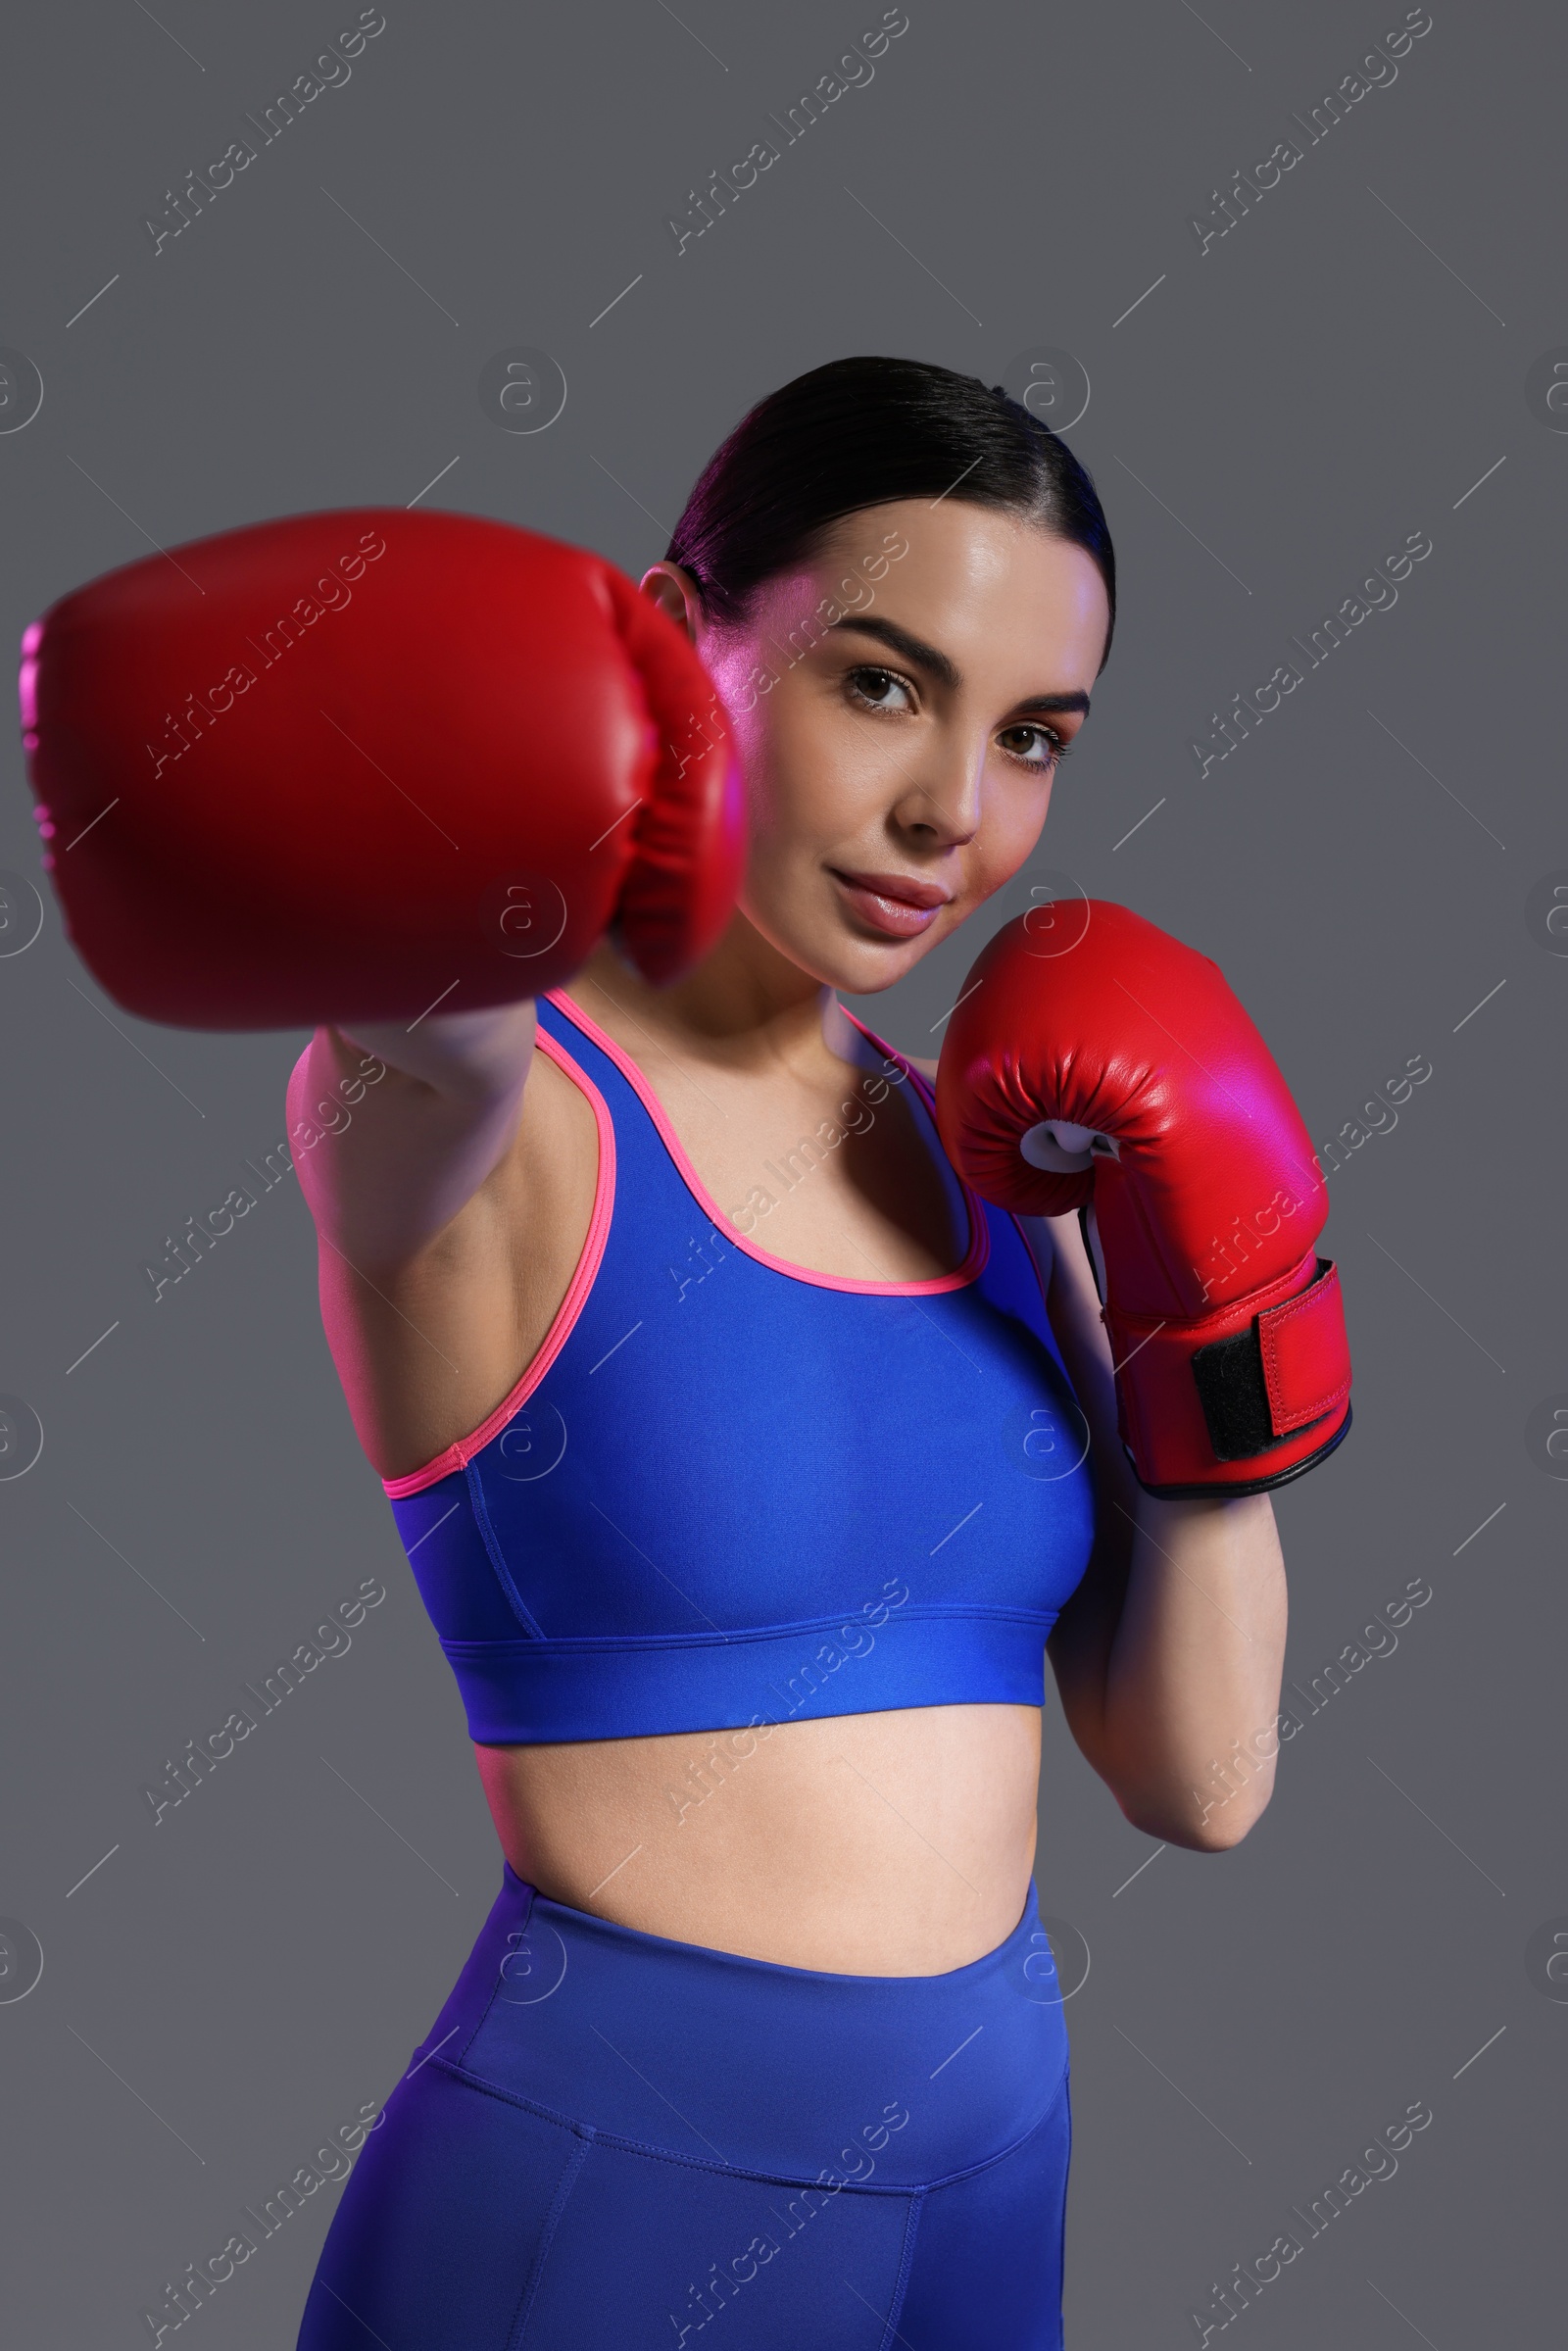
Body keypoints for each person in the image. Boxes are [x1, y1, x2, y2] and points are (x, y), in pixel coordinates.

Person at [22, 356, 1349, 2348]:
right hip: (612, 2193)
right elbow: (407, 1007)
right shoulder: (491, 1109)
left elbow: (1205, 1781)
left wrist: (1210, 1329)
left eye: (1032, 737)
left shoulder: (996, 1150)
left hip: (992, 2164)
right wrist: (467, 759)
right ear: (670, 635)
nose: (947, 815)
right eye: (878, 683)